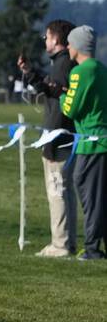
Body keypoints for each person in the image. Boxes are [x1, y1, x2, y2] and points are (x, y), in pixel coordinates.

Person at [19, 19, 78, 257]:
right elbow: (50, 88)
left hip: (58, 138)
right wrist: (30, 74)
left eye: (47, 37)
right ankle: (67, 241)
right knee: (65, 192)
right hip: (63, 137)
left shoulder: (62, 65)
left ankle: (60, 244)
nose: (45, 41)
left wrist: (50, 142)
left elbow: (57, 93)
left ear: (56, 39)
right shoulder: (61, 64)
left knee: (57, 191)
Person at [62, 25, 107, 259]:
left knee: (90, 194)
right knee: (98, 194)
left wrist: (62, 96)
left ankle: (91, 247)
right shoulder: (101, 69)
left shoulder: (80, 72)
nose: (67, 47)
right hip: (101, 141)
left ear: (78, 46)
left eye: (69, 43)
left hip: (91, 143)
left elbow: (70, 109)